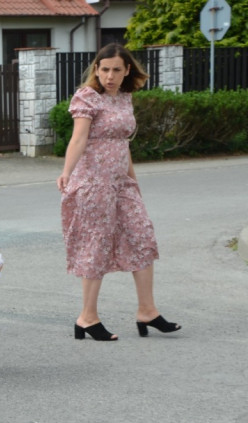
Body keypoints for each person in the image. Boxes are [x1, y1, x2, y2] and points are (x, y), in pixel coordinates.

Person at [57, 44, 180, 341]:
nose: (109, 76)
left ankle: (147, 311)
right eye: (104, 69)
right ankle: (87, 317)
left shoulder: (125, 99)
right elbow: (78, 139)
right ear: (96, 70)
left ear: (127, 71)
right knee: (96, 245)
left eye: (116, 70)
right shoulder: (87, 98)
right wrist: (66, 172)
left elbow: (123, 144)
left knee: (142, 236)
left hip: (121, 182)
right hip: (93, 182)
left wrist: (133, 182)